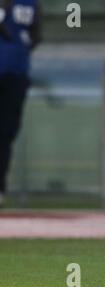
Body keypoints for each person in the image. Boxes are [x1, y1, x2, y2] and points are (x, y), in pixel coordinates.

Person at [0, 0, 41, 207]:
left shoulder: (31, 3)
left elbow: (37, 34)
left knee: (6, 133)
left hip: (16, 71)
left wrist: (23, 45)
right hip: (11, 68)